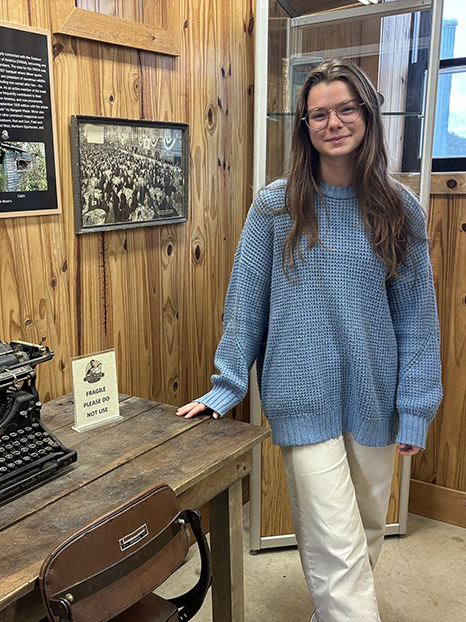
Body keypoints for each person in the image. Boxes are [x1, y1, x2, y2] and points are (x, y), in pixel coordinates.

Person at [176, 58, 442, 622]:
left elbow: (417, 321)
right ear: (304, 126)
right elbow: (246, 302)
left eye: (346, 108)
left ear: (366, 113)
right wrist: (226, 387)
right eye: (319, 114)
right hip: (302, 394)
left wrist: (416, 408)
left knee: (365, 532)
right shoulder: (275, 206)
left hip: (377, 397)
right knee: (335, 546)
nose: (333, 122)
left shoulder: (399, 209)